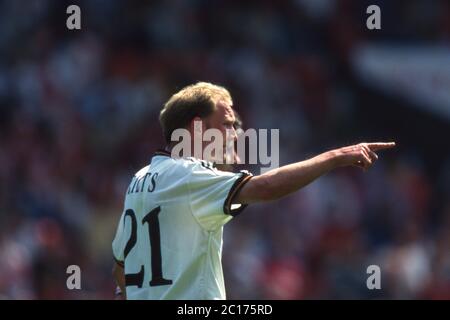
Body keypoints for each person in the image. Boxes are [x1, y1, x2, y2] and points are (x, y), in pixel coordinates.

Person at [111, 82, 395, 299]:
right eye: (227, 125)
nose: (235, 134)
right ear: (197, 128)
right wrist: (336, 157)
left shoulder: (139, 179)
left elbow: (120, 269)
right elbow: (267, 187)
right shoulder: (188, 174)